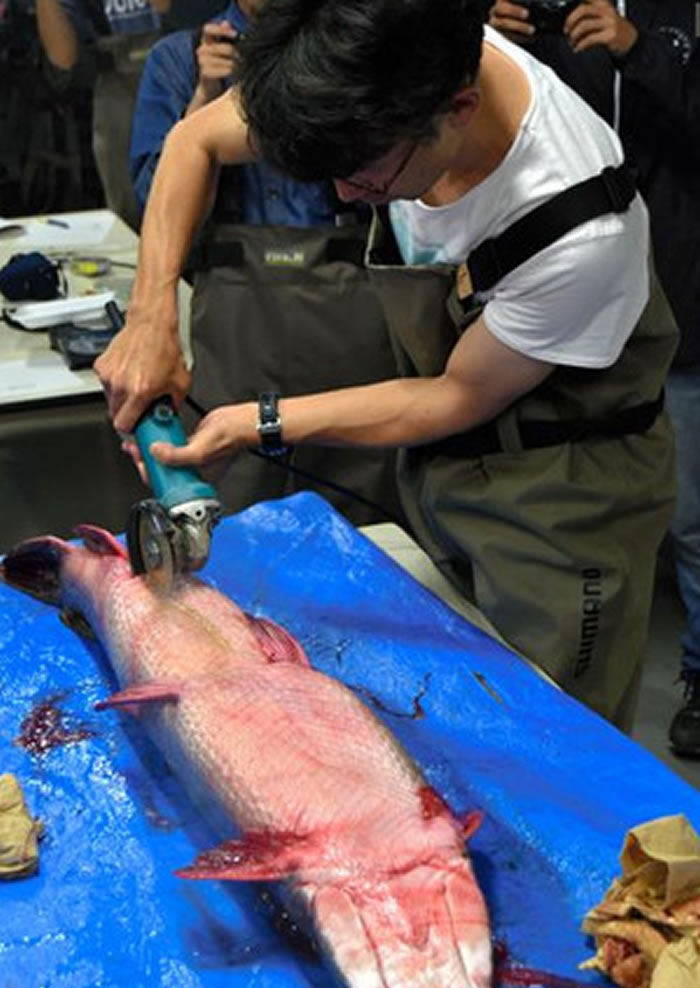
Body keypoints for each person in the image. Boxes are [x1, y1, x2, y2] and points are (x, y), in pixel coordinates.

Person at [95, 0, 678, 731]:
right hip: (445, 464)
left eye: (364, 178)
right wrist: (152, 319)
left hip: (563, 495)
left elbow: (452, 396)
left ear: (457, 109)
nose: (345, 196)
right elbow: (192, 142)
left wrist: (256, 422)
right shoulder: (370, 63)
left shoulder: (576, 226)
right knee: (436, 712)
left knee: (551, 738)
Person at [487, 0, 700, 753]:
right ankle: (558, 708)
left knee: (688, 519)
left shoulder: (675, 16)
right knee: (575, 509)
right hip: (560, 301)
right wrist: (499, 46)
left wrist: (640, 50)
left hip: (678, 296)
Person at [118, 1, 402, 525]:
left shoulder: (353, 46)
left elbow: (398, 182)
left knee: (363, 507)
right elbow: (151, 203)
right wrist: (205, 100)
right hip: (233, 317)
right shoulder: (176, 60)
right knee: (225, 500)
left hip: (351, 309)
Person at [36, 0, 166, 228]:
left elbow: (166, 9)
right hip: (117, 89)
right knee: (128, 215)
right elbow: (63, 57)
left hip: (185, 70)